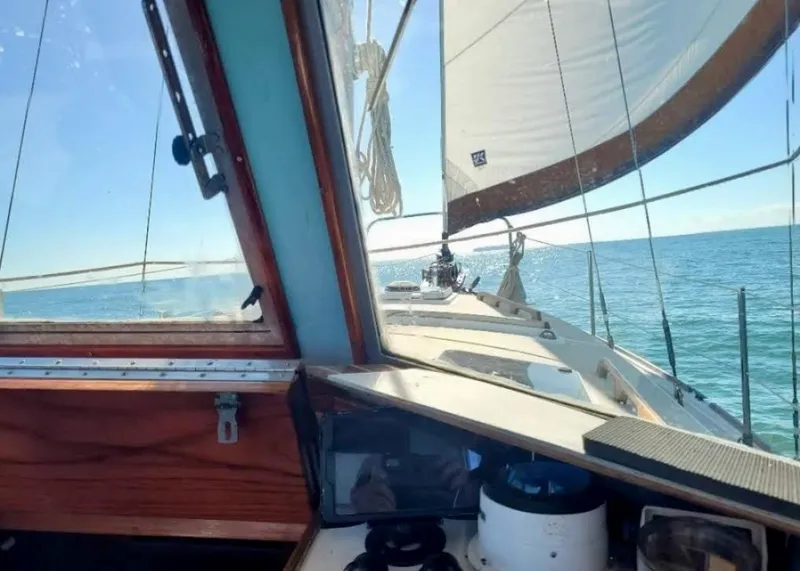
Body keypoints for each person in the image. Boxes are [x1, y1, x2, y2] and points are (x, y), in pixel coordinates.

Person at [350, 450, 480, 513]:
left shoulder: (455, 498)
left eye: (418, 467)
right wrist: (373, 510)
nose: (409, 476)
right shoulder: (372, 464)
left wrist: (466, 495)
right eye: (395, 468)